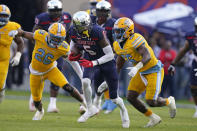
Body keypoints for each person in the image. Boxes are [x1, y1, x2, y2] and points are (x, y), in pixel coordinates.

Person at [9, 22, 85, 120]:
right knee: (36, 101)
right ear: (49, 34)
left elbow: (72, 61)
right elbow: (24, 33)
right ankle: (40, 111)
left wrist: (81, 74)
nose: (56, 41)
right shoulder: (40, 35)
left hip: (51, 70)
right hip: (35, 73)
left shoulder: (63, 47)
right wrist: (16, 32)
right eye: (55, 38)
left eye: (59, 39)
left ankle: (85, 103)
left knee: (67, 87)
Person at [68, 11, 130, 128]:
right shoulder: (73, 31)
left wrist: (93, 63)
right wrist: (72, 52)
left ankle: (123, 111)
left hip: (106, 62)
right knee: (85, 82)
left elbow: (110, 55)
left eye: (87, 24)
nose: (86, 28)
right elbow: (74, 42)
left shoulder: (96, 31)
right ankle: (90, 108)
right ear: (76, 27)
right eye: (82, 26)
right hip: (89, 57)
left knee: (114, 98)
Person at [113, 17, 176, 127]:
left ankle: (169, 101)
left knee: (151, 101)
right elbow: (120, 61)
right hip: (141, 71)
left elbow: (147, 56)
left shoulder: (136, 39)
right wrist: (112, 78)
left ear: (128, 30)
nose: (117, 34)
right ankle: (153, 118)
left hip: (153, 70)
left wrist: (136, 68)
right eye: (116, 31)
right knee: (131, 97)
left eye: (119, 31)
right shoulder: (117, 44)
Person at [29, 0, 83, 113]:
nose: (56, 13)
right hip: (43, 48)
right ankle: (34, 99)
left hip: (59, 50)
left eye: (58, 10)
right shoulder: (42, 18)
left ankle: (52, 104)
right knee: (38, 76)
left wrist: (66, 48)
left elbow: (68, 35)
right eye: (53, 10)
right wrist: (43, 47)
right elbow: (34, 33)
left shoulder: (67, 17)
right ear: (48, 10)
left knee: (59, 75)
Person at [91, 0, 117, 114]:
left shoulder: (113, 23)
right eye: (100, 11)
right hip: (96, 55)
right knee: (98, 79)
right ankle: (106, 100)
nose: (101, 14)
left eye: (104, 11)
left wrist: (115, 53)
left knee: (110, 78)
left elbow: (116, 41)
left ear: (108, 12)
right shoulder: (92, 21)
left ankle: (113, 100)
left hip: (110, 55)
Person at [168, 17, 197, 118]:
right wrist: (173, 63)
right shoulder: (191, 35)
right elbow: (184, 49)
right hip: (196, 62)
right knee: (193, 87)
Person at [0, 4, 24, 103]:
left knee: (0, 84)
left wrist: (18, 56)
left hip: (3, 60)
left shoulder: (12, 27)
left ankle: (2, 90)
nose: (3, 18)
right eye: (1, 15)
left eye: (5, 16)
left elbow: (20, 42)